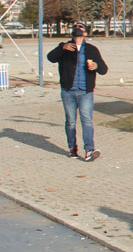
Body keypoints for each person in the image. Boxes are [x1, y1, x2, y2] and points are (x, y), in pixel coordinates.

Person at [46, 23, 108, 161]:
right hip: (68, 91)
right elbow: (50, 57)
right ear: (72, 35)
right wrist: (62, 48)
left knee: (86, 120)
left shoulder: (92, 50)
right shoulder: (65, 47)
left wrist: (96, 66)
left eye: (80, 34)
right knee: (70, 122)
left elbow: (104, 69)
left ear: (85, 34)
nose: (78, 37)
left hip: (85, 91)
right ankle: (72, 148)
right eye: (75, 34)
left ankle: (89, 150)